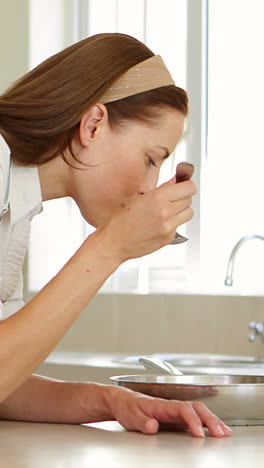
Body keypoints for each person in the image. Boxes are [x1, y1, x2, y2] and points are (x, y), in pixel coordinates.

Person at [0, 32, 232, 438]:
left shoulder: (17, 211)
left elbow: (7, 374)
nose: (149, 186)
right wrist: (109, 247)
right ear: (92, 124)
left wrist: (114, 402)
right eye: (150, 159)